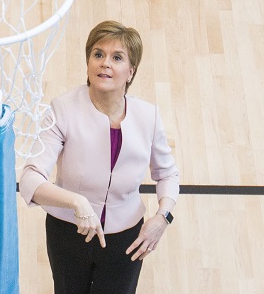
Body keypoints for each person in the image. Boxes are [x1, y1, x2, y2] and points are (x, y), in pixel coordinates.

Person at [20, 20, 178, 294]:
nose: (105, 63)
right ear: (88, 64)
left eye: (116, 57)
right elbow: (30, 180)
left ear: (130, 72)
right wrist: (77, 202)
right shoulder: (62, 109)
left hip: (127, 236)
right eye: (98, 54)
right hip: (68, 230)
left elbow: (167, 174)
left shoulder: (148, 116)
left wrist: (162, 218)